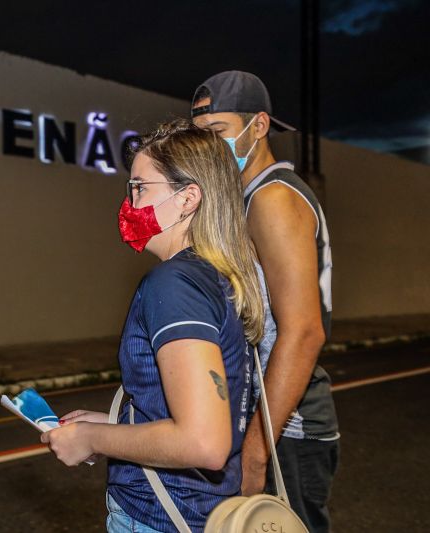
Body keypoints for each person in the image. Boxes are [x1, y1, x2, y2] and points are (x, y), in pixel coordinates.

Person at [42, 120, 264, 532]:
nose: (129, 202)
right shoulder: (215, 278)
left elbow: (203, 442)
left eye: (141, 187)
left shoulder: (175, 284)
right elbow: (198, 409)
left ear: (187, 199)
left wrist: (91, 440)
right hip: (204, 511)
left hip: (162, 518)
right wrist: (114, 422)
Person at [191, 70, 339, 532]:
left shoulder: (273, 199)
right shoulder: (250, 197)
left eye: (219, 132)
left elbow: (303, 331)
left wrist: (256, 453)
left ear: (259, 125)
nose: (211, 147)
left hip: (285, 431)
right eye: (201, 136)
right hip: (268, 421)